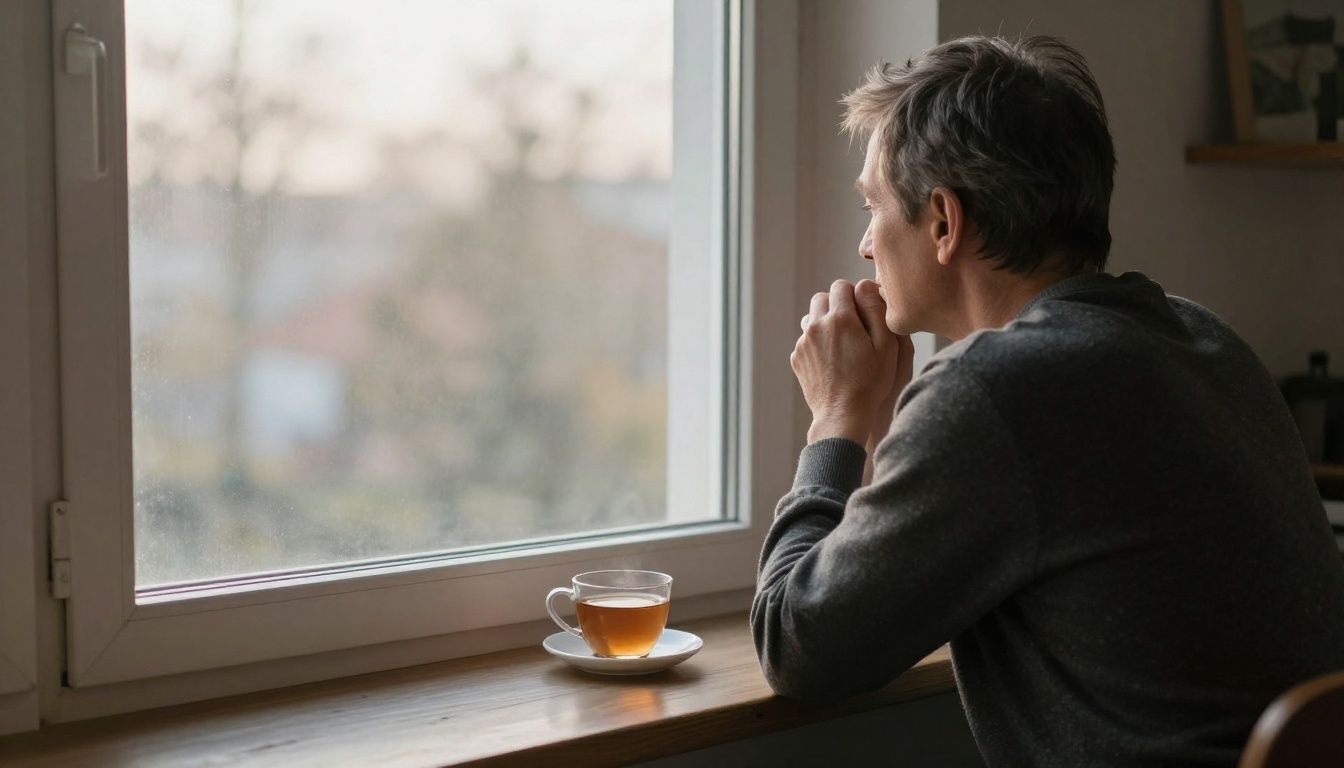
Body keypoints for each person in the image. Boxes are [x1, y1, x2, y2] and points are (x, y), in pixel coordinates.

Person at [749, 34, 1344, 767]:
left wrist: (837, 419)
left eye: (874, 206)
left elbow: (797, 645)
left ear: (943, 220)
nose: (867, 245)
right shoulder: (1203, 340)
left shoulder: (992, 393)